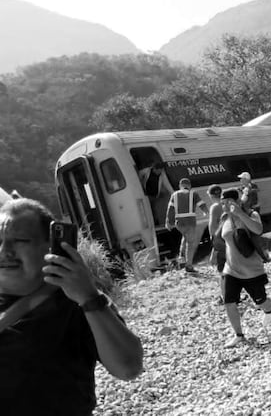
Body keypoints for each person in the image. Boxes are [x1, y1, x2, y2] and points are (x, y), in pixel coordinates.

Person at [0, 198, 143, 414]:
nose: (4, 251)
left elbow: (128, 368)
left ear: (51, 247)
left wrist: (88, 297)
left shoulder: (76, 301)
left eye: (19, 240)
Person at [218, 188, 271, 348]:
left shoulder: (250, 214)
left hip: (252, 270)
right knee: (228, 301)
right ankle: (239, 335)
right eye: (222, 203)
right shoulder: (225, 218)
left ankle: (269, 311)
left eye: (226, 203)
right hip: (231, 270)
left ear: (235, 201)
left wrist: (240, 214)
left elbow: (258, 229)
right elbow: (224, 240)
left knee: (261, 301)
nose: (223, 206)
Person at [166, 178, 208, 273]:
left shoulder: (174, 194)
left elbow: (170, 209)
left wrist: (169, 222)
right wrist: (206, 212)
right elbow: (201, 204)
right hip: (190, 222)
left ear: (180, 186)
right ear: (189, 186)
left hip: (179, 223)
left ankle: (181, 256)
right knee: (190, 243)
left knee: (185, 237)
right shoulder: (194, 193)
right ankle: (188, 266)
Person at [207, 185, 226, 300]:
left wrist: (213, 241)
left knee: (222, 270)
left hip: (220, 240)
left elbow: (212, 225)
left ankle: (225, 296)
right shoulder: (227, 204)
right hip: (229, 238)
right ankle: (236, 293)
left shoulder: (215, 207)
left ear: (211, 195)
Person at [138, 161, 171, 225]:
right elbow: (139, 175)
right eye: (159, 170)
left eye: (161, 170)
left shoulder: (162, 174)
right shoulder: (146, 171)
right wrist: (141, 185)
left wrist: (173, 193)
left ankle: (155, 223)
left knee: (153, 209)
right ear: (154, 169)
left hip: (154, 195)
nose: (160, 172)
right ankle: (152, 223)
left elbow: (167, 184)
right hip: (146, 195)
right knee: (147, 209)